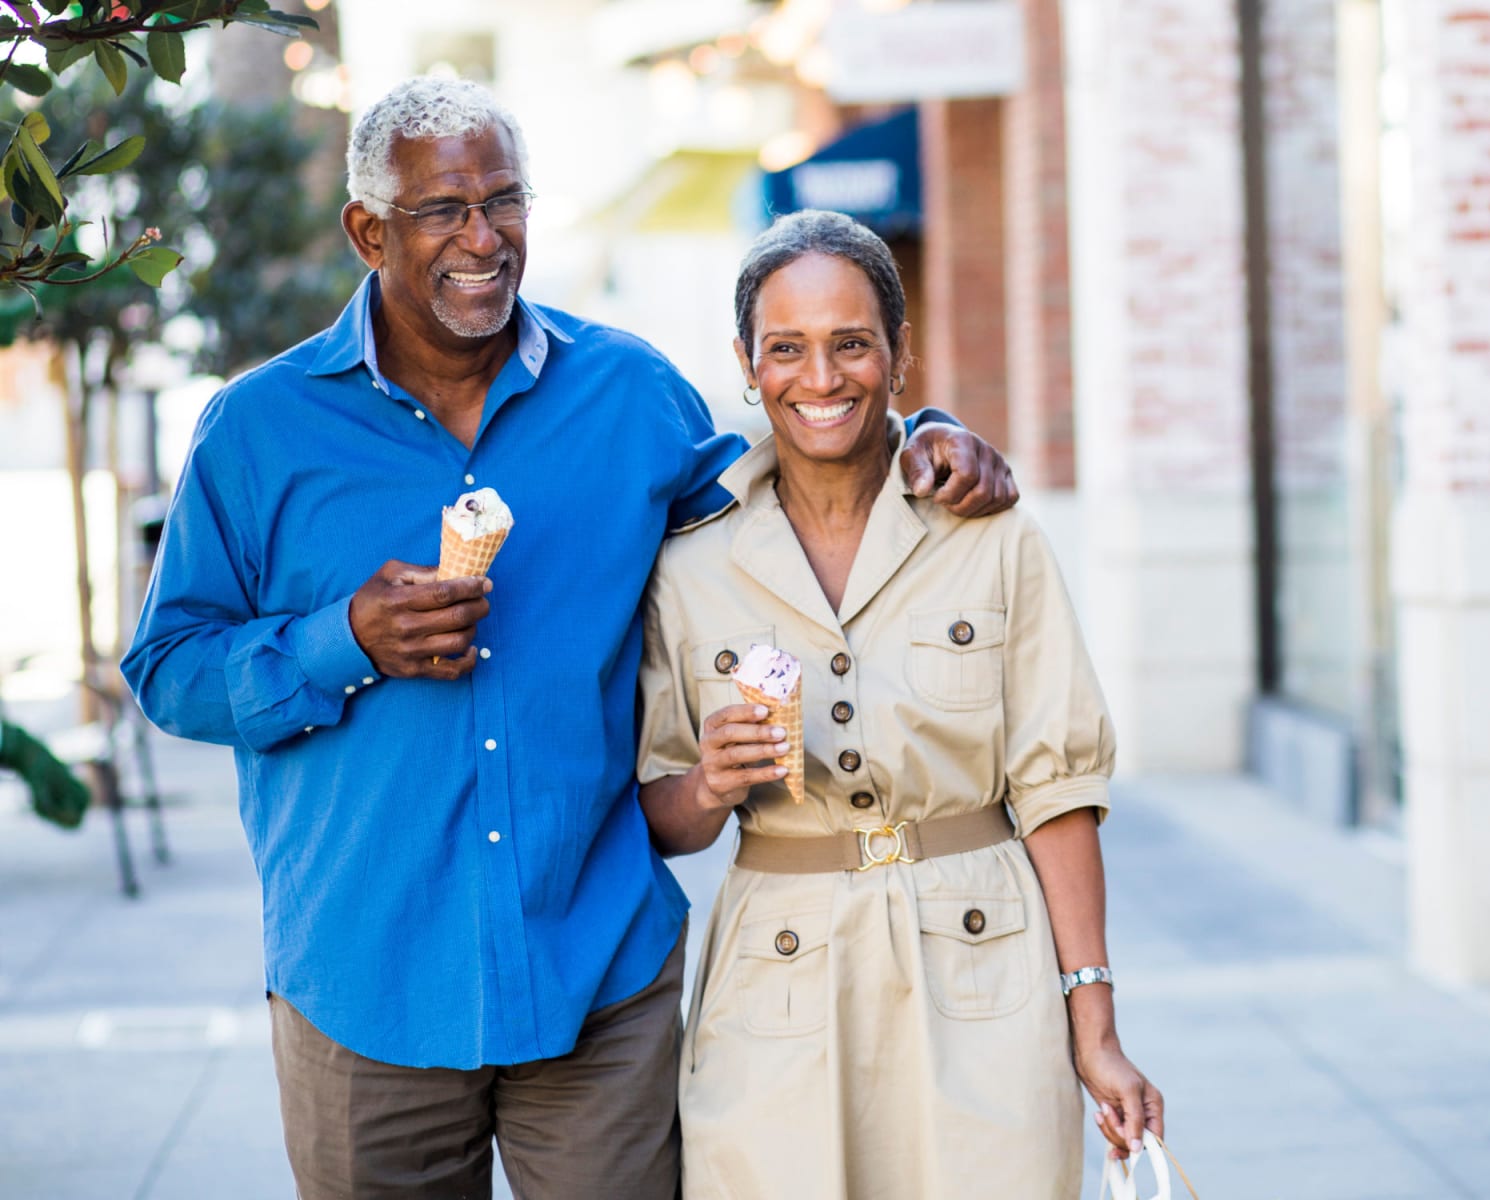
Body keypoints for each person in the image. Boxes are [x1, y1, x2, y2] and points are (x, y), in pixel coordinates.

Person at [120, 79, 1014, 1199]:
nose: (482, 239)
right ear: (367, 231)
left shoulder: (628, 394)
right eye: (442, 210)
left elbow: (787, 488)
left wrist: (923, 430)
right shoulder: (258, 428)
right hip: (366, 981)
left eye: (504, 202)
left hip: (596, 973)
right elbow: (167, 670)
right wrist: (340, 639)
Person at [637, 209, 1162, 1198]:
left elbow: (1057, 789)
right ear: (746, 364)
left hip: (985, 965)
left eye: (850, 345)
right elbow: (662, 812)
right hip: (776, 974)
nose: (820, 378)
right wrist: (709, 781)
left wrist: (1095, 1029)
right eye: (785, 349)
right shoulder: (691, 562)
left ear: (900, 354)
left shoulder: (989, 536)